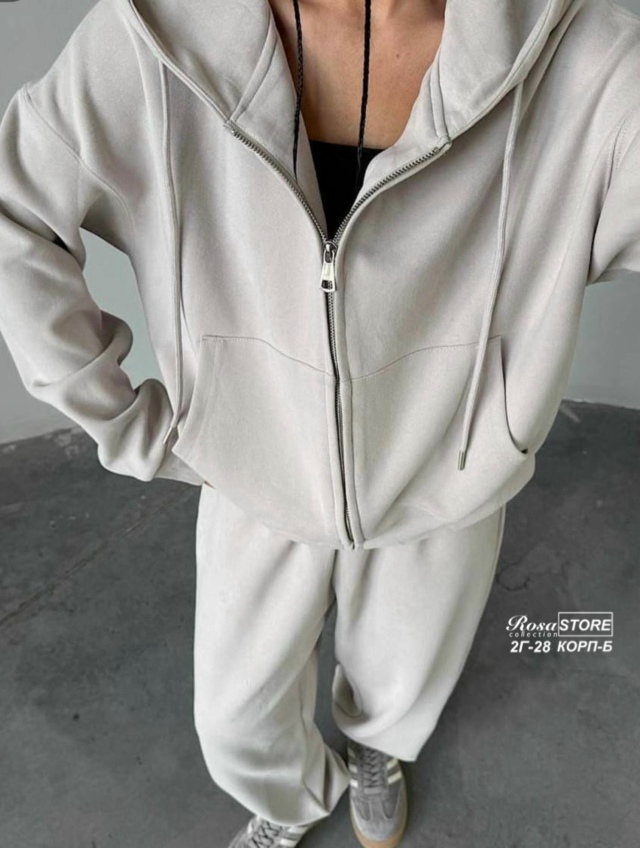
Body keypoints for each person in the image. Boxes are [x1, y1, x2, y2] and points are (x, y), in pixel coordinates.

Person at [0, 0, 639, 846]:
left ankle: (378, 749)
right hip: (257, 461)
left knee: (405, 675)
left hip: (448, 470)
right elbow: (16, 212)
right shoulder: (161, 32)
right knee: (234, 715)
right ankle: (292, 798)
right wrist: (128, 423)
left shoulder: (577, 49)